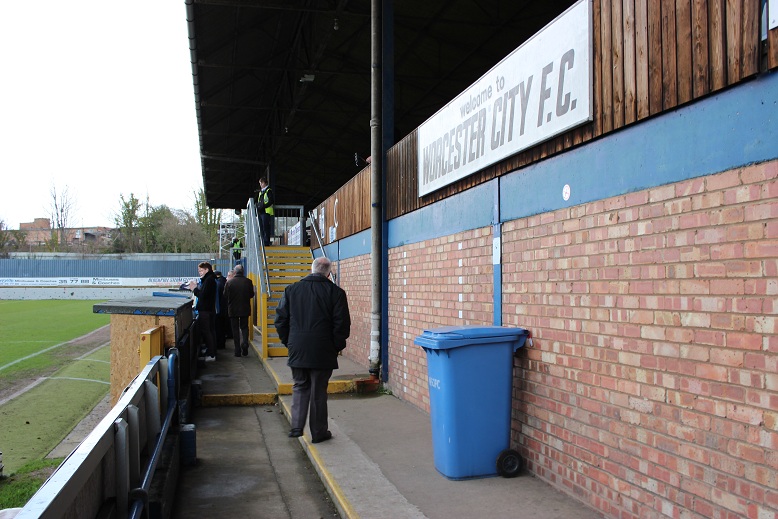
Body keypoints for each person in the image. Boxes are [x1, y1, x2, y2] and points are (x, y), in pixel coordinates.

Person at [275, 257, 351, 443]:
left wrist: (289, 343)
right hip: (323, 349)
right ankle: (318, 433)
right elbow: (342, 324)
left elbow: (280, 320)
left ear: (311, 269)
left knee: (300, 385)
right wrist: (336, 346)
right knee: (318, 391)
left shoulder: (291, 290)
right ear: (328, 272)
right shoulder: (336, 293)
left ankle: (296, 427)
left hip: (297, 348)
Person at [188, 261, 218, 362]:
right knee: (211, 331)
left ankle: (211, 354)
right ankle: (212, 351)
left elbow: (203, 295)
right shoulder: (211, 279)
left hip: (205, 310)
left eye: (201, 270)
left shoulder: (208, 280)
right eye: (199, 271)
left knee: (207, 331)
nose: (200, 273)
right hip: (210, 309)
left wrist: (194, 289)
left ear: (207, 270)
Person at [224, 264, 255, 357]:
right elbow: (251, 295)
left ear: (234, 272)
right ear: (243, 271)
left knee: (235, 330)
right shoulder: (248, 282)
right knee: (244, 327)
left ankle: (237, 351)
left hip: (232, 309)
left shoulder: (229, 282)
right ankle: (245, 343)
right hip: (245, 308)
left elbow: (225, 295)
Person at [255, 177, 274, 246]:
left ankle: (266, 242)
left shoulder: (269, 191)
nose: (260, 185)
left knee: (266, 227)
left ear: (264, 183)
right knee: (262, 227)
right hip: (261, 212)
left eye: (261, 183)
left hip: (266, 212)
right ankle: (263, 241)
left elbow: (271, 201)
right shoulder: (261, 192)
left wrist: (262, 206)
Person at [214, 270, 228, 349]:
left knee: (218, 328)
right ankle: (222, 343)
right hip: (225, 308)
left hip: (219, 310)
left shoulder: (217, 284)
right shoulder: (225, 282)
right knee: (222, 328)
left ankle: (219, 344)